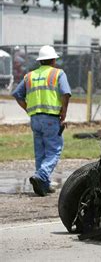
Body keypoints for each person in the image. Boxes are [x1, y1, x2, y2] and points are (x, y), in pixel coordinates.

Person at [11, 45, 71, 197]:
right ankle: (41, 176)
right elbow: (66, 93)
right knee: (54, 151)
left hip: (35, 119)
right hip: (51, 118)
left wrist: (28, 109)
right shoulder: (58, 73)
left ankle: (43, 185)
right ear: (53, 60)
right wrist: (63, 113)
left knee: (40, 152)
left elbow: (18, 94)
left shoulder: (29, 76)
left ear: (40, 61)